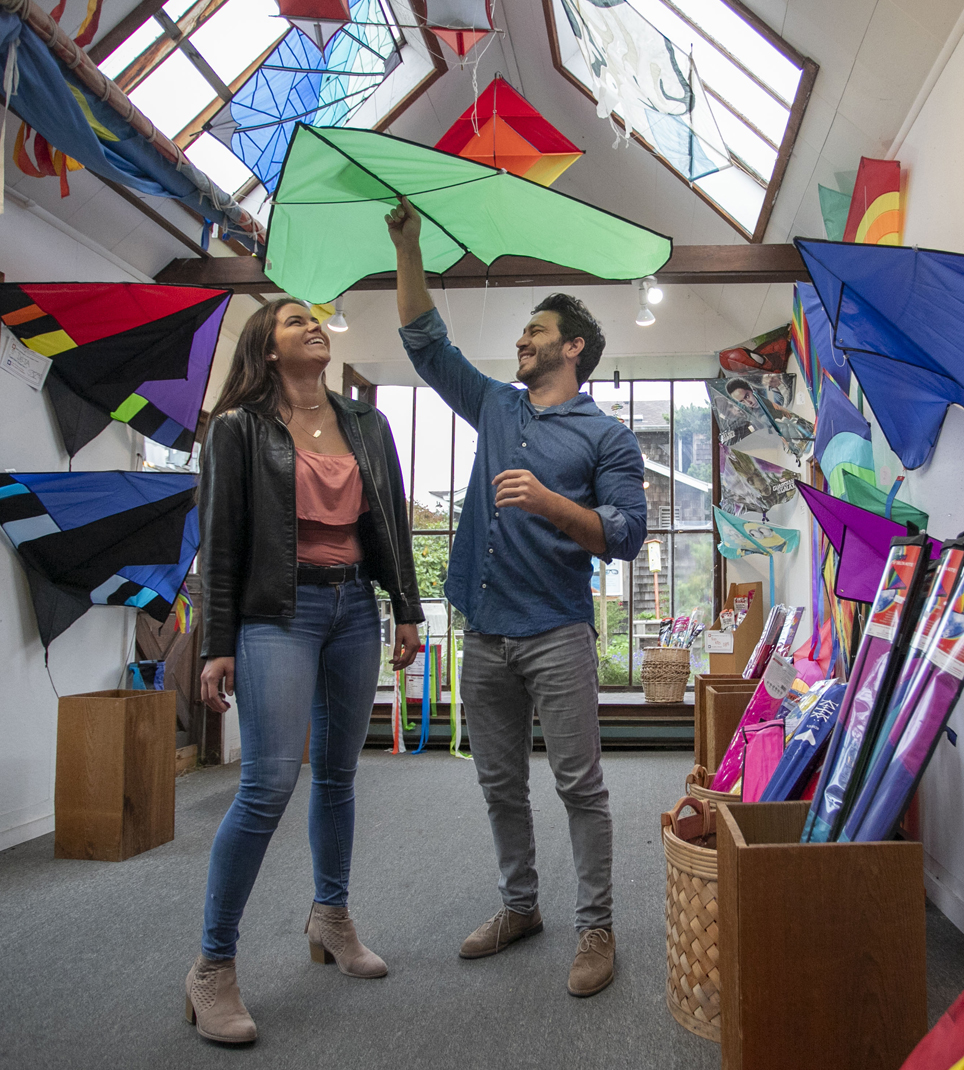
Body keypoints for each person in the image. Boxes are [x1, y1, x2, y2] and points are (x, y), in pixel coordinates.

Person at [385, 198, 647, 997]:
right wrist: (407, 247)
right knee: (499, 782)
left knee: (580, 785)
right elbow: (429, 347)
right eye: (523, 332)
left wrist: (549, 503)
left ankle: (595, 926)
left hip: (558, 632)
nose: (522, 340)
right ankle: (520, 907)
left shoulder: (607, 437)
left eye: (537, 331)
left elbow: (627, 533)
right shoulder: (497, 405)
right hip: (485, 628)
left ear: (572, 348)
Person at [186, 298, 423, 1044]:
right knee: (266, 785)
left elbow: (388, 521)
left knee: (339, 775)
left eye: (316, 320)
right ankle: (212, 968)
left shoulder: (366, 424)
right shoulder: (237, 429)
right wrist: (215, 641)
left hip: (353, 610)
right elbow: (221, 538)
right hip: (273, 617)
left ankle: (331, 916)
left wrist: (405, 607)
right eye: (294, 321)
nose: (312, 326)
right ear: (266, 346)